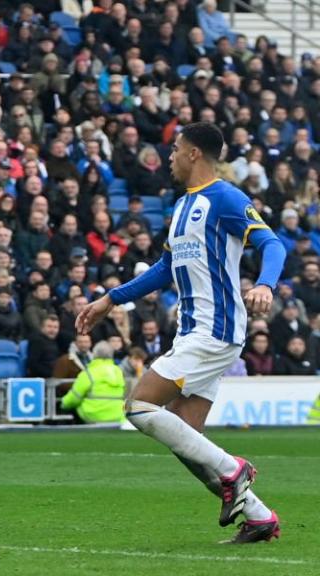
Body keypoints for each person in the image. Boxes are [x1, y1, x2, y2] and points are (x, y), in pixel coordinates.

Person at [76, 123, 287, 544]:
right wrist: (110, 299)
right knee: (186, 439)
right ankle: (259, 517)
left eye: (175, 150)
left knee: (137, 406)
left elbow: (273, 244)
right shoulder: (181, 208)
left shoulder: (225, 197)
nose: (169, 157)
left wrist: (265, 283)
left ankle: (233, 468)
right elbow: (163, 269)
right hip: (196, 331)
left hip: (215, 328)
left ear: (193, 154)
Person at [60, 341, 126, 423]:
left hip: (93, 415)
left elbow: (74, 397)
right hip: (118, 416)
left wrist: (63, 404)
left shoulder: (89, 373)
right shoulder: (118, 371)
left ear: (94, 354)